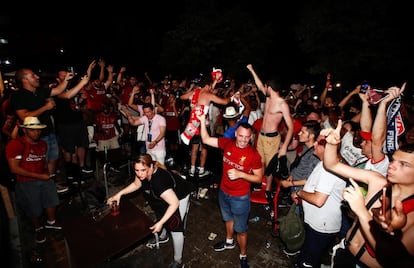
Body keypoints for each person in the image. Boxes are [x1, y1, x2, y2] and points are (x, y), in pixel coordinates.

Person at [322, 84, 414, 267]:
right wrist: (331, 145)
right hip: (344, 252)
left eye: (403, 164)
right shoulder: (377, 181)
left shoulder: (411, 211)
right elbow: (331, 164)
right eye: (394, 160)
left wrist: (362, 212)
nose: (392, 165)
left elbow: (396, 261)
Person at [197, 113, 263, 268]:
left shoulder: (253, 155)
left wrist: (241, 174)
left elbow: (259, 179)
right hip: (223, 192)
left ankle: (243, 255)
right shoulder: (227, 143)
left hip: (240, 197)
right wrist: (201, 121)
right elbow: (206, 140)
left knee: (241, 230)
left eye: (247, 137)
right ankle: (229, 242)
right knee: (227, 219)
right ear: (235, 134)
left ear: (251, 137)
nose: (243, 140)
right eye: (241, 136)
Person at [107, 153, 191, 268]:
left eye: (143, 170)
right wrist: (119, 194)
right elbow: (136, 184)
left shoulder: (159, 182)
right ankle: (163, 236)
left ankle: (178, 261)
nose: (139, 174)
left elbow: (174, 203)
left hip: (179, 197)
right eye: (137, 170)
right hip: (165, 197)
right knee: (161, 213)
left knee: (176, 229)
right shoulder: (142, 172)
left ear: (151, 167)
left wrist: (161, 223)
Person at [11, 67, 71, 194]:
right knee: (39, 163)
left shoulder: (40, 91)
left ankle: (51, 184)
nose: (37, 77)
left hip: (49, 132)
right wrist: (45, 107)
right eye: (33, 75)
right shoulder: (18, 96)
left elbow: (59, 90)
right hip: (34, 137)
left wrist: (66, 80)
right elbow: (23, 116)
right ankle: (40, 188)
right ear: (24, 79)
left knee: (53, 158)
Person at [291, 134, 346, 267]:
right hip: (317, 224)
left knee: (308, 263)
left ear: (328, 148)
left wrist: (300, 193)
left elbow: (318, 200)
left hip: (321, 227)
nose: (314, 145)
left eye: (318, 143)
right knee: (309, 257)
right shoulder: (326, 162)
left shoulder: (330, 170)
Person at [5, 117, 62, 246]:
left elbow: (44, 162)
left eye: (38, 130)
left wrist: (46, 174)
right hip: (27, 181)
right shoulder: (17, 145)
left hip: (43, 177)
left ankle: (51, 222)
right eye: (33, 130)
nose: (37, 132)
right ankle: (38, 228)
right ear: (25, 130)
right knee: (33, 208)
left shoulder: (43, 144)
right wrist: (38, 176)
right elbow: (14, 168)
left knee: (51, 199)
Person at [246, 64, 294, 205]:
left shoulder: (282, 104)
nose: (263, 89)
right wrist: (252, 70)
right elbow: (259, 84)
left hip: (272, 139)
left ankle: (267, 190)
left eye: (266, 87)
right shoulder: (268, 98)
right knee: (258, 161)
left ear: (270, 88)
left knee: (270, 166)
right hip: (261, 136)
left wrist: (284, 147)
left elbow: (290, 127)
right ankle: (258, 183)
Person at [180, 76, 229, 177]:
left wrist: (191, 91)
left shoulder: (194, 93)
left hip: (193, 126)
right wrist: (231, 97)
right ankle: (201, 170)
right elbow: (225, 102)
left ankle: (192, 169)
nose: (211, 88)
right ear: (207, 85)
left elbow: (181, 97)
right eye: (210, 86)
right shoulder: (208, 95)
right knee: (204, 148)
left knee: (194, 148)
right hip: (203, 125)